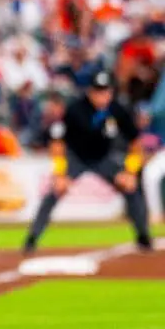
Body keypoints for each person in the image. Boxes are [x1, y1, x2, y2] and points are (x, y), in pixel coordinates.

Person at [22, 71, 153, 254]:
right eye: (98, 91)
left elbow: (136, 142)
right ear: (90, 92)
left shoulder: (117, 110)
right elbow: (58, 141)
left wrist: (130, 171)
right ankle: (32, 238)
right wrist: (60, 173)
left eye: (106, 91)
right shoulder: (75, 109)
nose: (103, 96)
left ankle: (143, 237)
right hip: (76, 157)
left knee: (131, 188)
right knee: (54, 191)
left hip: (103, 157)